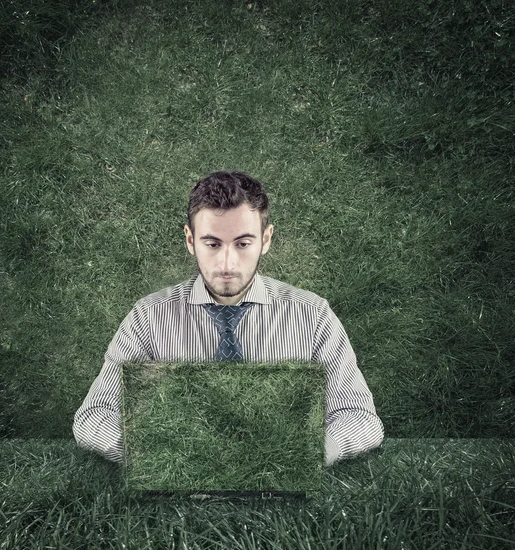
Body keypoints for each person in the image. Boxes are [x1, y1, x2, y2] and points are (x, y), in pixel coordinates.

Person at [73, 171, 384, 465]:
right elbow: (94, 415)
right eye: (212, 243)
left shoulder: (313, 315)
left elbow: (360, 417)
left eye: (243, 243)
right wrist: (158, 453)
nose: (227, 262)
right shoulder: (148, 317)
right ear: (189, 239)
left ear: (266, 239)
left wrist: (302, 454)